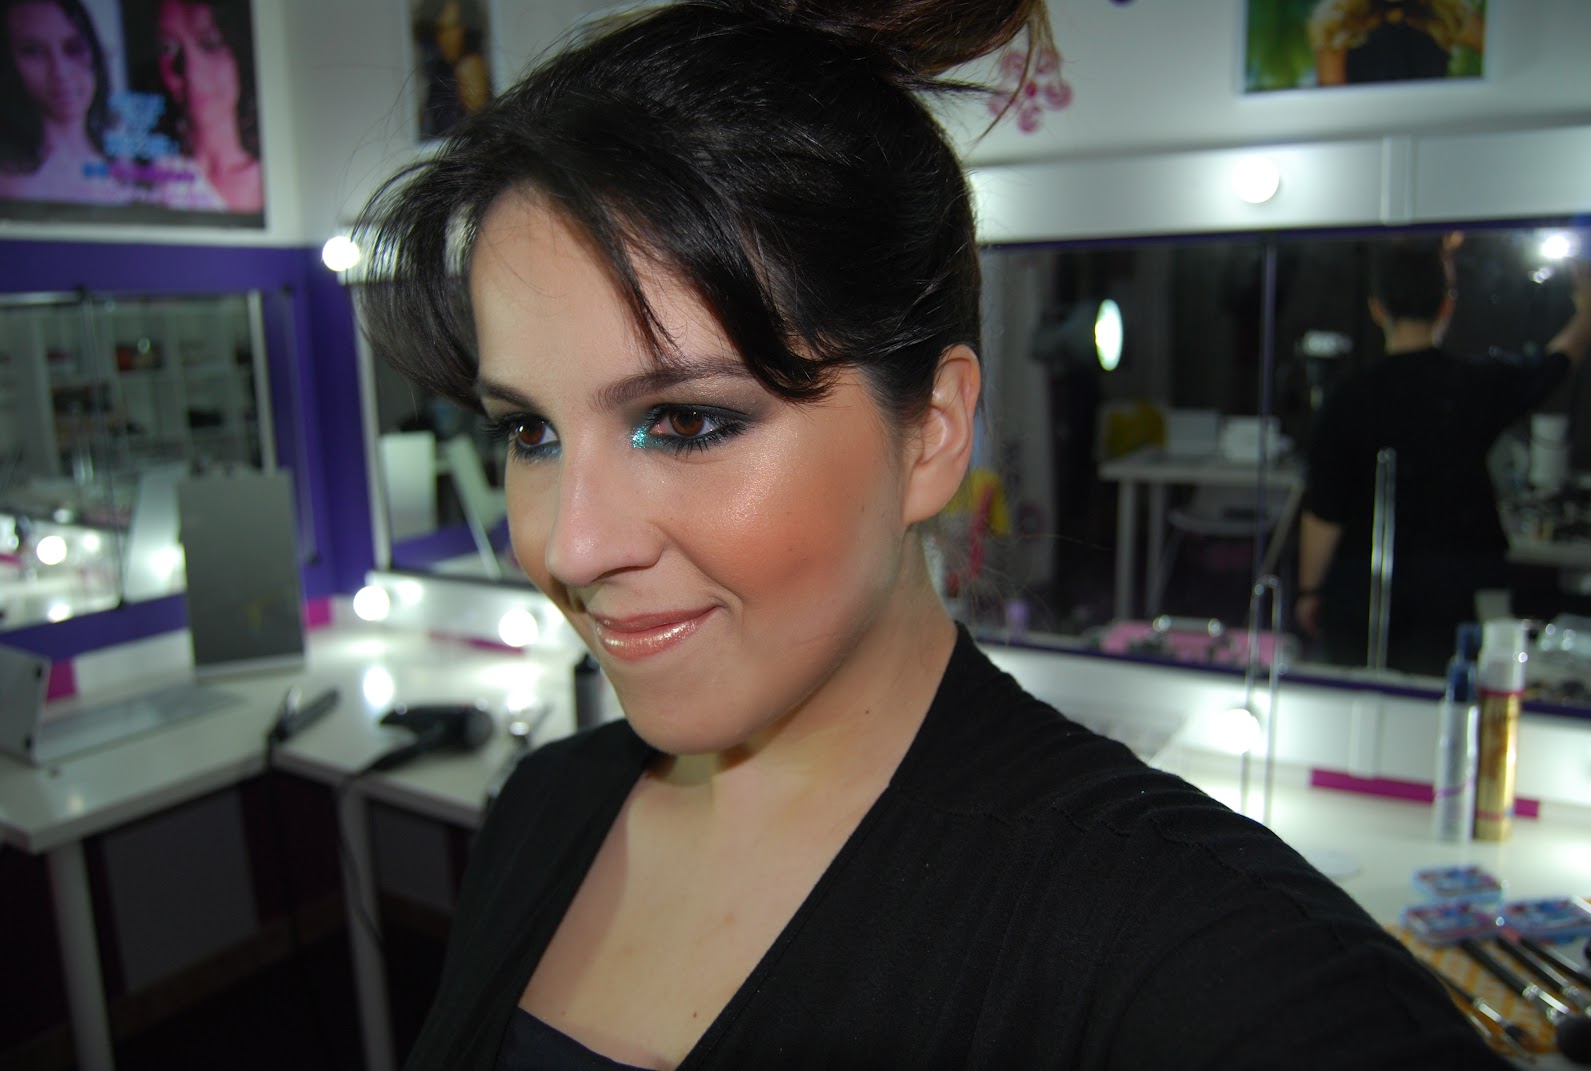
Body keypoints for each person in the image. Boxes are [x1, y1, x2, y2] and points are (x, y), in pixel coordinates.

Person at [357, 3, 1517, 1067]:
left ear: (932, 433)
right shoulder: (540, 810)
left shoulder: (1215, 968)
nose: (570, 548)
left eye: (686, 421)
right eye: (529, 432)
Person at [1297, 238, 1591, 674]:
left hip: (1366, 588)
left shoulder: (1349, 400)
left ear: (1377, 309)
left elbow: (1324, 510)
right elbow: (1552, 367)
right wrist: (1589, 313)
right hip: (1453, 590)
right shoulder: (1474, 386)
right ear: (1447, 305)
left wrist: (1309, 590)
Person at [0, 0, 132, 205]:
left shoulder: (128, 167)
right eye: (34, 51)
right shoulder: (14, 182)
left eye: (74, 48)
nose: (60, 72)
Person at [149, 0, 261, 212]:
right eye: (167, 48)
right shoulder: (152, 179)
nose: (191, 72)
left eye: (211, 43)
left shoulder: (277, 175)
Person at [1308, 0, 1485, 86]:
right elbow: (1333, 105)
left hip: (1430, 132)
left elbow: (1499, 49)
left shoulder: (1444, 10)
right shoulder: (1338, 20)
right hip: (1366, 134)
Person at [413, 0, 490, 140]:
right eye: (440, 29)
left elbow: (483, 125)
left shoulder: (473, 66)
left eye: (454, 27)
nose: (447, 37)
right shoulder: (437, 73)